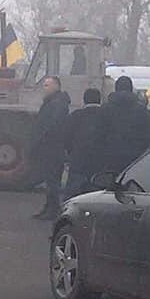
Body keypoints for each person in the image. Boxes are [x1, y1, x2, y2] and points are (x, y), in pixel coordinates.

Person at [31, 76, 71, 220]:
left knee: (52, 181)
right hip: (51, 148)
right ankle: (49, 207)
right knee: (50, 180)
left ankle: (53, 210)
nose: (44, 88)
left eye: (47, 85)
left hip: (52, 148)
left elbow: (51, 126)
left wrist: (41, 139)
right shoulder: (54, 102)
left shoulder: (57, 104)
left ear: (56, 86)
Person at [100, 76, 150, 172]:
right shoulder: (140, 110)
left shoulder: (105, 109)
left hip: (109, 158)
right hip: (134, 159)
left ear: (116, 89)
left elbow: (98, 133)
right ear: (131, 89)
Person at [64, 88, 104, 199]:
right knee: (96, 196)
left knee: (72, 196)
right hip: (100, 162)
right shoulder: (106, 115)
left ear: (84, 100)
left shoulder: (75, 116)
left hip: (78, 161)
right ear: (100, 100)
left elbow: (66, 137)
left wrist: (70, 153)